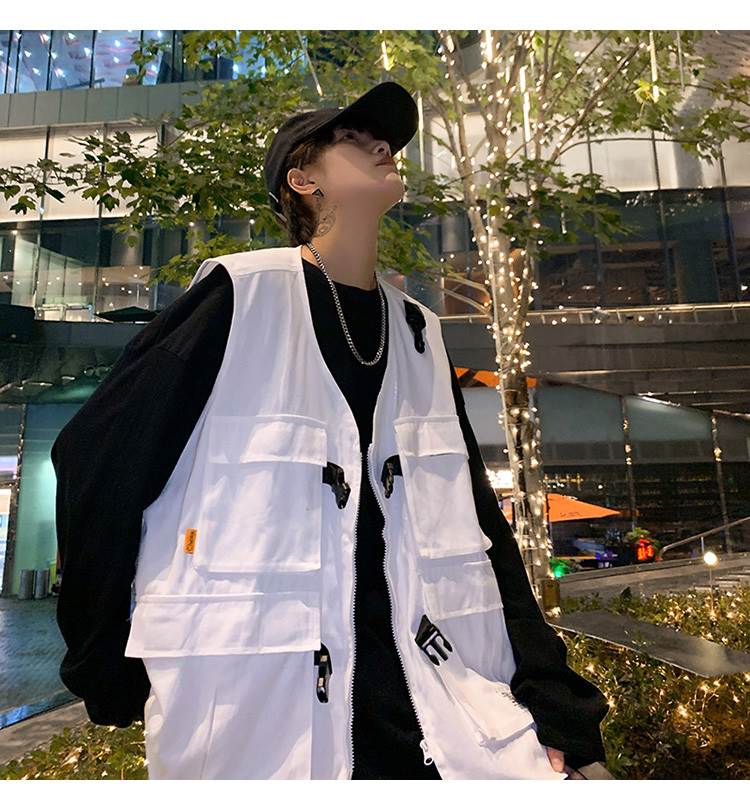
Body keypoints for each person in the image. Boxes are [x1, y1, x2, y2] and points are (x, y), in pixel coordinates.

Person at [52, 80, 609, 779]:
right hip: (262, 729)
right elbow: (94, 460)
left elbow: (480, 524)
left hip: (447, 717)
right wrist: (104, 661)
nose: (382, 145)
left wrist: (551, 694)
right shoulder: (238, 298)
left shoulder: (419, 333)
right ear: (302, 178)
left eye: (386, 138)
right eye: (353, 136)